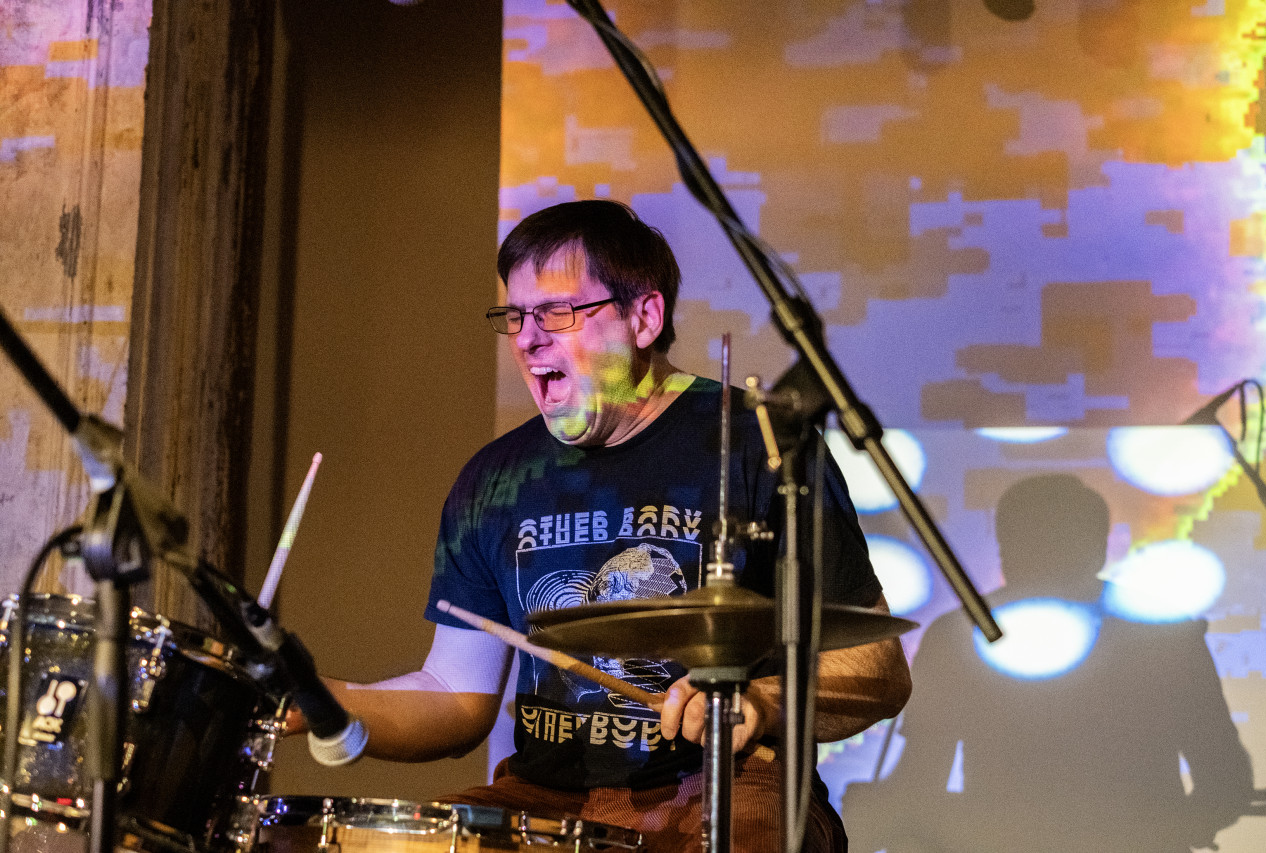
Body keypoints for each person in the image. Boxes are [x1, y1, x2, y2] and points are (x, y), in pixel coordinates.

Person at [297, 200, 912, 852]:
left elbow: (877, 668)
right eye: (516, 315)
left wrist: (757, 701)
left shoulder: (759, 444)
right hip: (543, 795)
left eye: (558, 312)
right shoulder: (494, 477)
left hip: (724, 785)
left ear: (644, 317)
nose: (529, 337)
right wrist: (325, 696)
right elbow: (454, 692)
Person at [844, 474, 1254, 852]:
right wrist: (1144, 829)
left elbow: (921, 781)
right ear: (1097, 547)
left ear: (1006, 548)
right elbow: (1225, 785)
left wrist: (878, 814)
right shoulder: (1166, 632)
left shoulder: (956, 637)